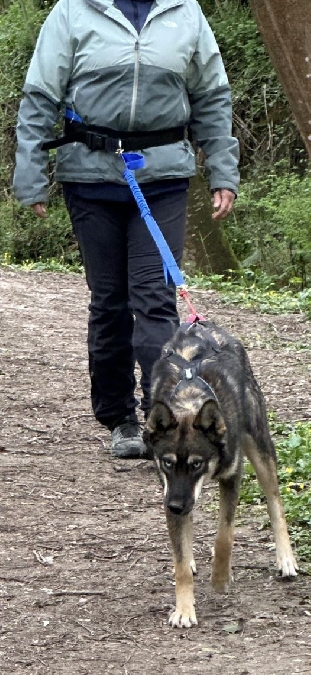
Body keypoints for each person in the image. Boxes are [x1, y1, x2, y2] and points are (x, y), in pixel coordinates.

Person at [14, 0, 240, 459]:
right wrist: (30, 175)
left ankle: (164, 414)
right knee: (110, 299)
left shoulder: (187, 13)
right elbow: (40, 96)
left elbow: (212, 95)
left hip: (162, 178)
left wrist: (223, 169)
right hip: (90, 177)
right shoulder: (72, 12)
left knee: (155, 297)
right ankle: (118, 417)